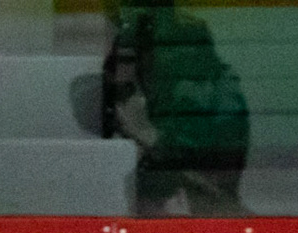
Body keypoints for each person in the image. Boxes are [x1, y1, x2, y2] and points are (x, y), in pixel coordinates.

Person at [102, 0, 249, 217]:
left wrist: (148, 134)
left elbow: (209, 178)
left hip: (200, 204)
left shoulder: (214, 95)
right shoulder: (142, 67)